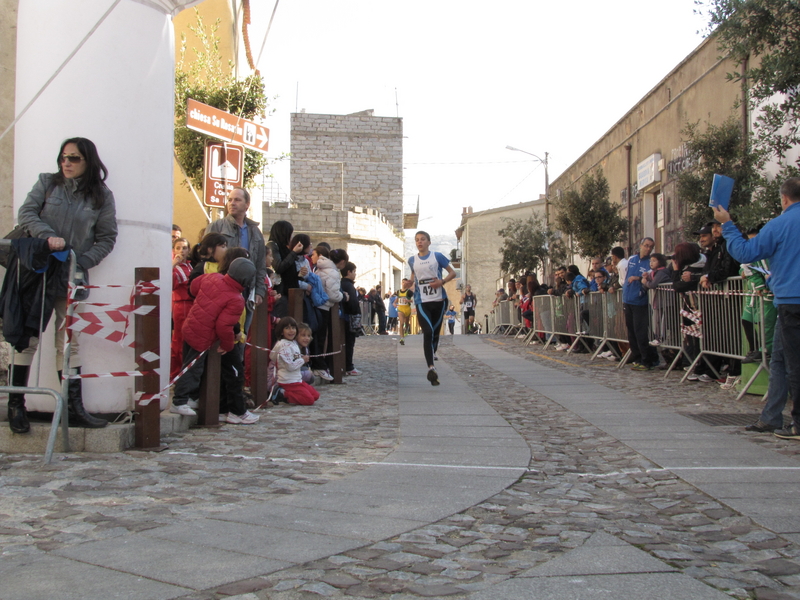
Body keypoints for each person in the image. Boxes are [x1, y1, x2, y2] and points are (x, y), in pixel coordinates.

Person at [8, 137, 118, 433]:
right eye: (63, 157)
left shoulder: (101, 196)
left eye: (74, 158)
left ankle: (73, 408)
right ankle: (16, 405)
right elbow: (27, 213)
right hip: (36, 270)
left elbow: (107, 237)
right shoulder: (47, 183)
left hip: (70, 274)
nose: (66, 163)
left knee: (68, 340)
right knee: (26, 337)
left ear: (88, 162)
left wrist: (80, 260)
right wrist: (47, 237)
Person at [715, 177, 800, 439]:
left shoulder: (780, 224)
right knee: (779, 359)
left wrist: (727, 224)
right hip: (787, 298)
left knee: (793, 364)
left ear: (784, 199)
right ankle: (772, 417)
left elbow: (745, 252)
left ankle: (796, 423)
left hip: (790, 301)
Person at [170, 257, 259, 424]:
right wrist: (227, 345)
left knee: (187, 365)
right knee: (193, 369)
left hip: (190, 325)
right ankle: (179, 401)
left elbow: (194, 287)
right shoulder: (236, 299)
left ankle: (190, 398)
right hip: (203, 335)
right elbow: (224, 326)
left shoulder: (213, 277)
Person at [407, 230, 456, 386]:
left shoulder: (437, 257)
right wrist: (409, 284)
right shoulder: (412, 260)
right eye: (417, 240)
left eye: (422, 239)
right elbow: (413, 277)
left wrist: (441, 282)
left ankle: (432, 354)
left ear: (429, 242)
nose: (419, 242)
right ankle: (431, 368)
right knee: (427, 332)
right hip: (422, 301)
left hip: (439, 300)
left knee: (434, 333)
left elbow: (452, 272)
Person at [206, 187, 267, 306]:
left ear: (247, 205)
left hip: (248, 289)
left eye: (237, 200)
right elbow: (205, 257)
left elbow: (260, 264)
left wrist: (259, 290)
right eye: (230, 200)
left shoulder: (255, 231)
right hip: (223, 286)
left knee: (244, 324)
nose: (232, 203)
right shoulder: (217, 226)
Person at [309, 245, 344, 380]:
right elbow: (333, 295)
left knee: (319, 337)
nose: (312, 257)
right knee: (320, 337)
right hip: (324, 306)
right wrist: (342, 297)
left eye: (314, 254)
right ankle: (320, 365)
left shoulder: (320, 269)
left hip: (318, 305)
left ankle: (320, 365)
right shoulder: (330, 271)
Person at [623, 237, 657, 371]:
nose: (648, 249)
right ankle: (637, 357)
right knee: (631, 331)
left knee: (640, 331)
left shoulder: (650, 262)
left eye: (651, 247)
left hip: (640, 300)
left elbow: (651, 275)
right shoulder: (632, 259)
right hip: (628, 298)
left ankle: (646, 360)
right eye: (646, 246)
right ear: (641, 246)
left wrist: (638, 278)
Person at [269, 317, 320, 405]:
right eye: (287, 328)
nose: (291, 331)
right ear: (282, 331)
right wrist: (302, 360)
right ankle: (283, 394)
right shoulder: (284, 345)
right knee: (309, 400)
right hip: (288, 381)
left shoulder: (292, 343)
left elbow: (272, 355)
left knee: (315, 395)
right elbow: (290, 366)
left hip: (297, 379)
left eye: (293, 328)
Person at [171, 237, 193, 381]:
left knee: (188, 339)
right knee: (179, 340)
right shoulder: (174, 267)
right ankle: (176, 374)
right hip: (181, 305)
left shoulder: (190, 266)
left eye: (184, 248)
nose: (181, 251)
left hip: (191, 305)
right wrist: (173, 264)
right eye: (178, 248)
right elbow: (170, 284)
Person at [339, 261, 362, 375]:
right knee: (349, 342)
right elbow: (352, 303)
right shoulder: (348, 285)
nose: (355, 274)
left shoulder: (343, 283)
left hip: (346, 317)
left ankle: (346, 365)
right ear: (349, 272)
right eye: (354, 272)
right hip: (349, 318)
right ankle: (348, 366)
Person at [395, 278, 413, 345]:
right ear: (401, 283)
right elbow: (397, 298)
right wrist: (394, 303)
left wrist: (408, 301)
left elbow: (413, 300)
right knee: (401, 323)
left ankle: (407, 329)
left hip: (407, 309)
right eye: (403, 282)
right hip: (400, 309)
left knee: (406, 323)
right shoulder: (398, 292)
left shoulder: (409, 292)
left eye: (405, 283)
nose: (404, 284)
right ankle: (402, 338)